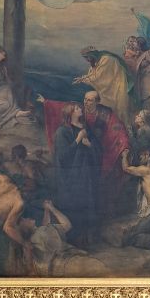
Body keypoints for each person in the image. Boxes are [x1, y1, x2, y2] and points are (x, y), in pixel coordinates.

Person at [52, 102, 102, 247]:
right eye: (77, 108)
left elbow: (98, 149)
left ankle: (89, 237)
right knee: (75, 205)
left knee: (89, 203)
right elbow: (63, 156)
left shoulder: (86, 128)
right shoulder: (62, 131)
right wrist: (78, 139)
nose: (81, 109)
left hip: (87, 176)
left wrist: (89, 145)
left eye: (80, 107)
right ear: (70, 113)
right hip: (72, 178)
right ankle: (76, 240)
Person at [73, 46, 136, 128]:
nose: (87, 60)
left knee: (120, 110)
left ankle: (125, 130)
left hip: (118, 87)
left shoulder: (106, 59)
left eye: (87, 57)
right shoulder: (97, 61)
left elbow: (99, 77)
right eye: (85, 58)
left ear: (92, 54)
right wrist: (82, 78)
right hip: (111, 89)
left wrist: (84, 79)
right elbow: (92, 74)